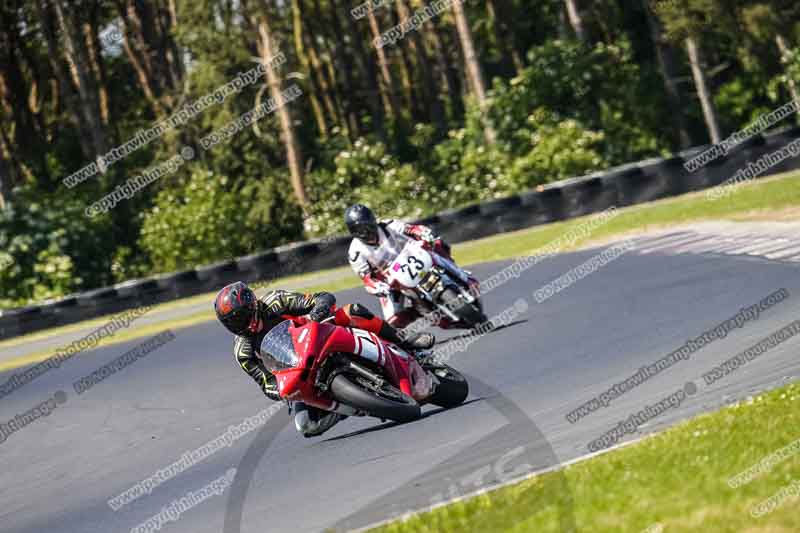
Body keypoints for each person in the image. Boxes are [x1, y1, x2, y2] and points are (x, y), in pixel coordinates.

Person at [214, 281, 434, 437]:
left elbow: (322, 298)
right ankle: (348, 405)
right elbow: (265, 384)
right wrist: (282, 390)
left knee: (353, 311)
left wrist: (315, 315)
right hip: (296, 370)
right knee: (306, 426)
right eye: (232, 321)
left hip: (318, 335)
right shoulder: (242, 351)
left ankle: (405, 341)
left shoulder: (275, 301)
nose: (239, 323)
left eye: (241, 315)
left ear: (252, 305)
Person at [344, 203, 478, 329]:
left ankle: (462, 275)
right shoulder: (355, 252)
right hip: (390, 280)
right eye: (362, 228)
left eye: (369, 223)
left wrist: (423, 233)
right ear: (354, 231)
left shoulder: (388, 225)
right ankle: (421, 313)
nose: (368, 230)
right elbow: (366, 278)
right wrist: (378, 287)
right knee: (394, 320)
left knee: (437, 244)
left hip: (413, 256)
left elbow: (412, 229)